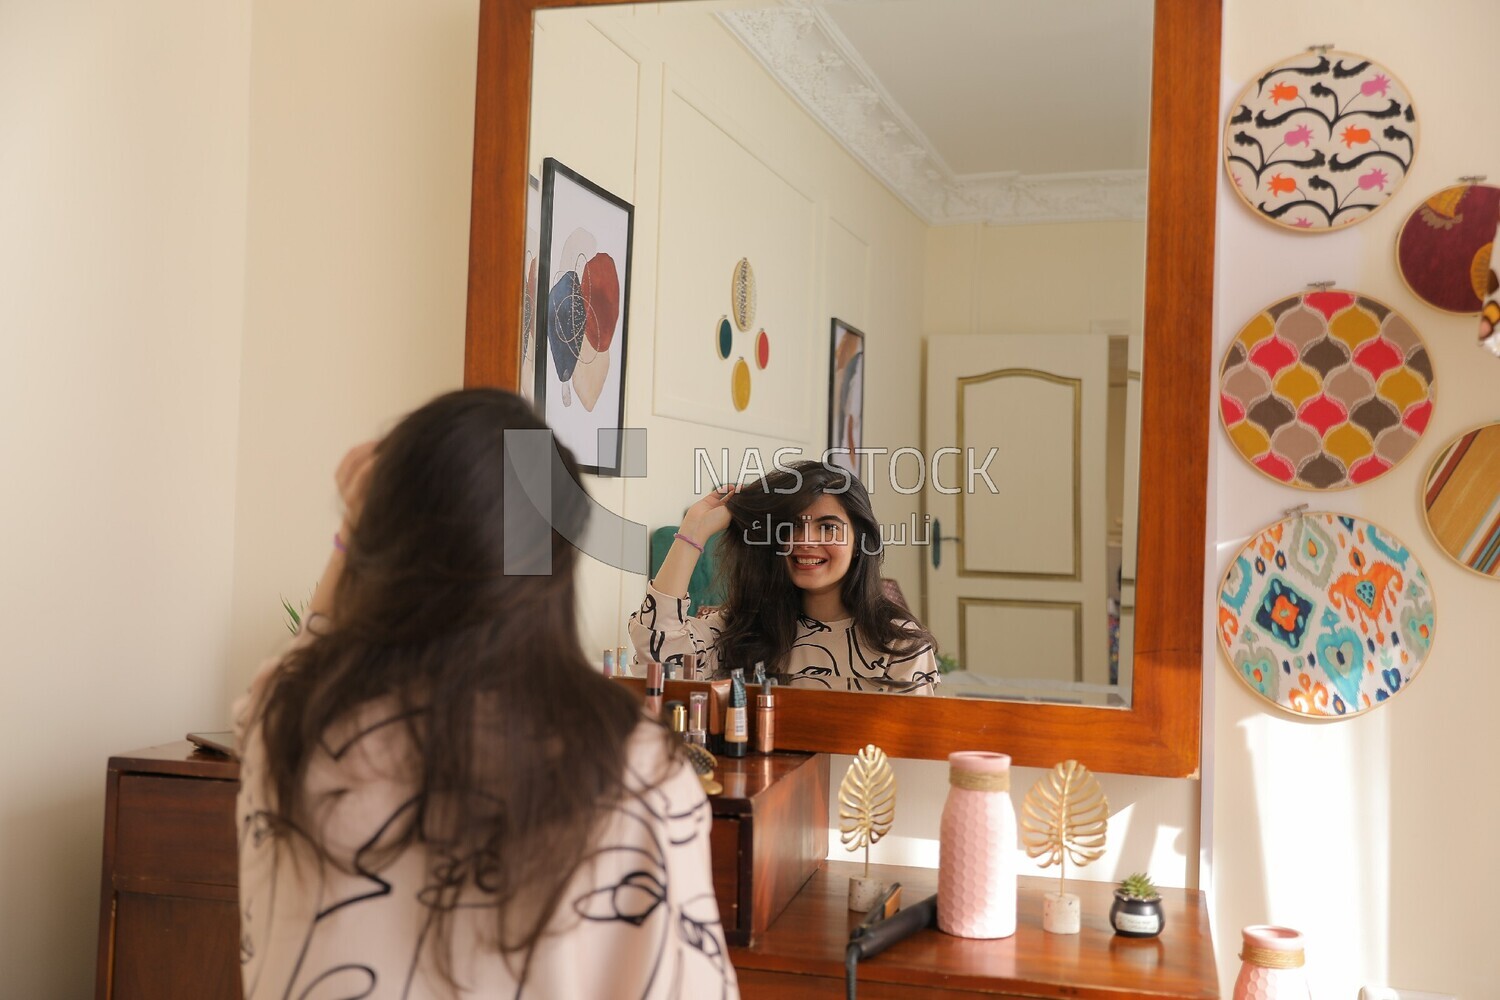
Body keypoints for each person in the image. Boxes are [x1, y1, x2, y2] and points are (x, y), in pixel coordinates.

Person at [233, 389, 736, 1000]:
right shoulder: (639, 772)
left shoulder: (292, 729)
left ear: (383, 545)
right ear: (556, 561)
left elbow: (298, 663)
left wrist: (353, 528)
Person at [630, 460, 938, 694]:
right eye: (790, 527)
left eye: (828, 527)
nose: (806, 541)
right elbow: (656, 657)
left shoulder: (898, 645)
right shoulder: (737, 628)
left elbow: (912, 756)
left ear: (859, 541)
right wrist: (692, 532)